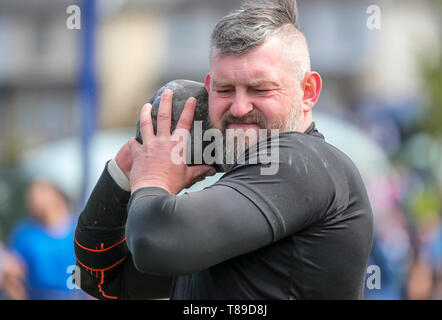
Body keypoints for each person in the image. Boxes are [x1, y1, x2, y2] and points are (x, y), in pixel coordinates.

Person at [75, 0, 373, 299]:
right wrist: (123, 176)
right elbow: (103, 281)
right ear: (208, 88)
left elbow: (155, 244)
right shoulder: (241, 195)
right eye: (224, 89)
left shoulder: (303, 161)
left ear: (308, 92)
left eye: (260, 89)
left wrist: (152, 179)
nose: (240, 108)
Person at [8, 179, 80, 299]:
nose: (33, 200)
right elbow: (12, 275)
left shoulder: (80, 231)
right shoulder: (25, 234)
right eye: (31, 196)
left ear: (57, 195)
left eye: (40, 193)